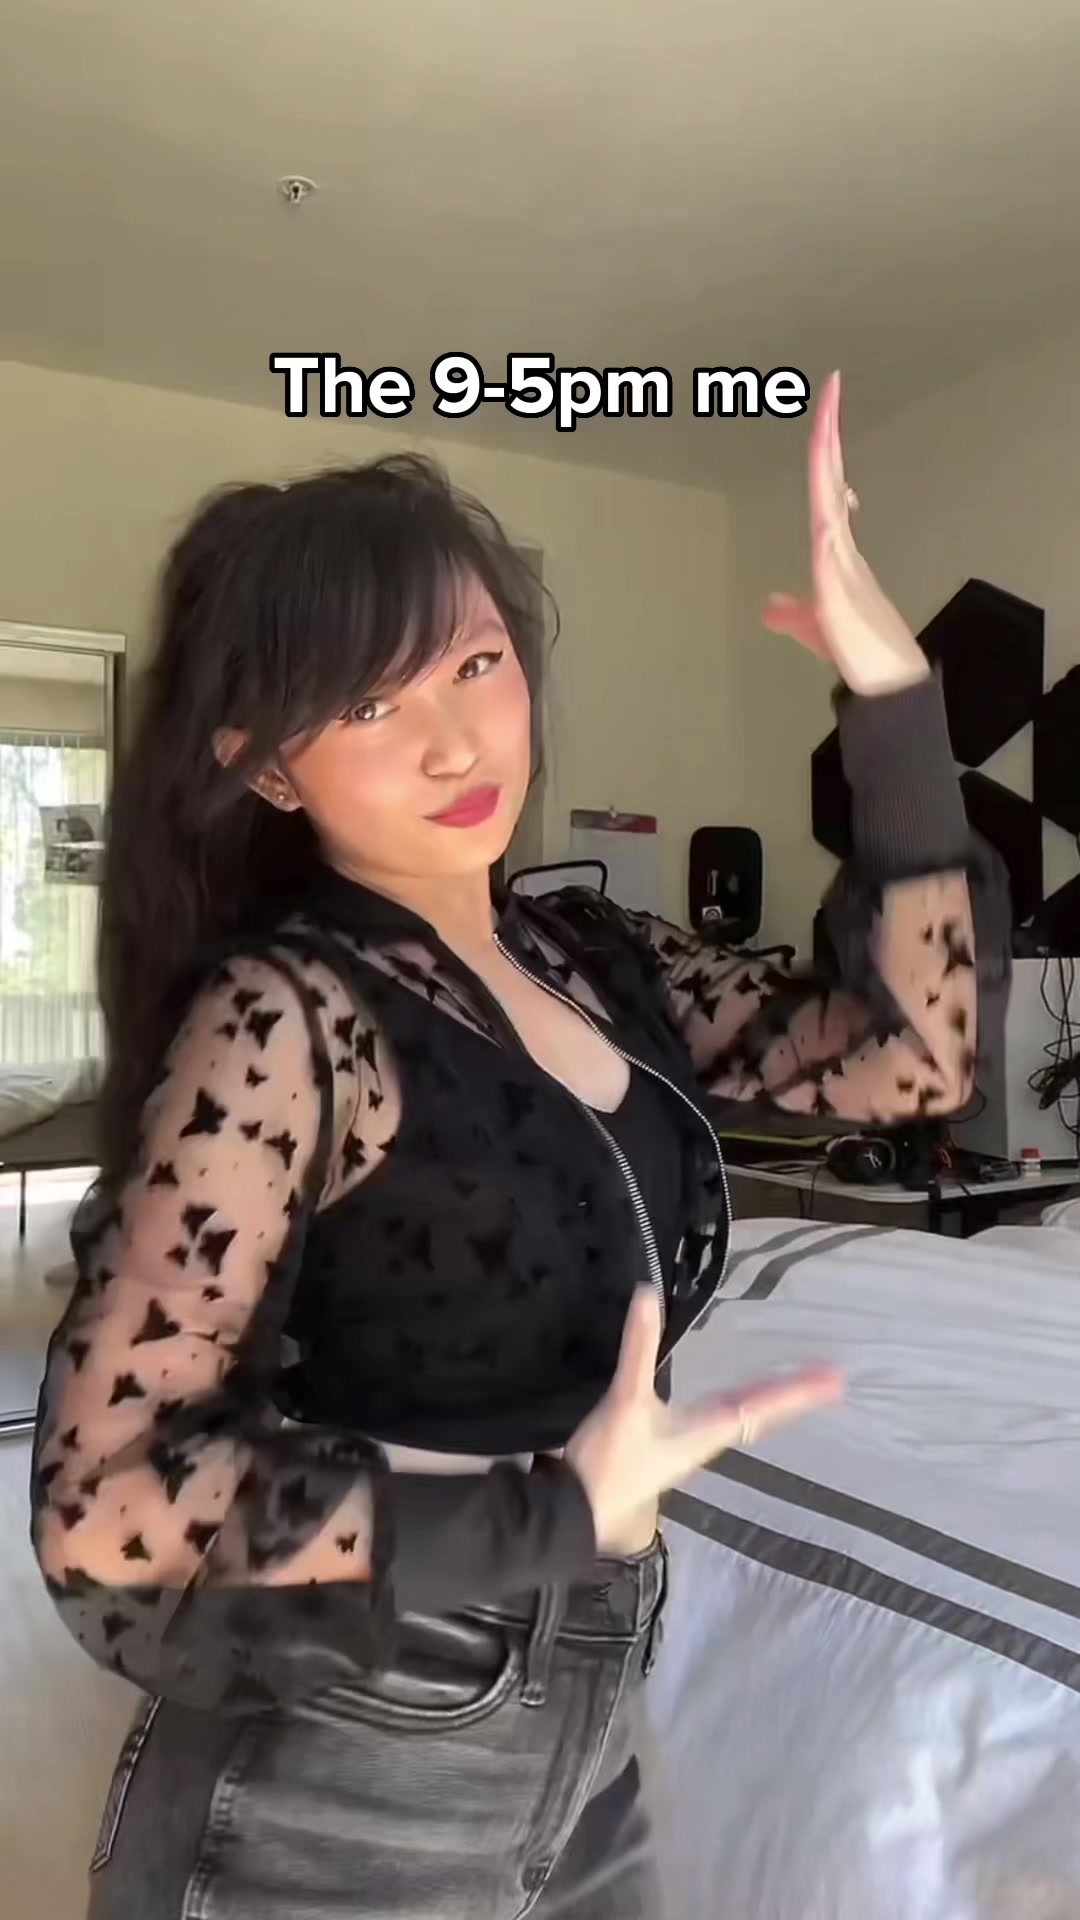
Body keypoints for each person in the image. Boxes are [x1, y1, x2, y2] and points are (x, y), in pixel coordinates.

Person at [31, 374, 1010, 1920]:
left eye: (475, 663)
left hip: (591, 1711)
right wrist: (543, 1513)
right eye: (368, 706)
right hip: (348, 1760)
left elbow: (910, 1055)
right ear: (268, 766)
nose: (453, 742)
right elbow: (111, 1503)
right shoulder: (285, 1014)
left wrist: (891, 695)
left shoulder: (585, 954)